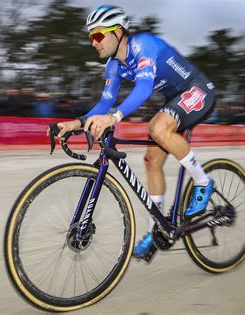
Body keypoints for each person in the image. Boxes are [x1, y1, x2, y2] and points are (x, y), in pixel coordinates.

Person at [51, 5, 217, 261]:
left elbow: (143, 89)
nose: (93, 43)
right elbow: (105, 103)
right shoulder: (114, 66)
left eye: (98, 35)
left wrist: (114, 117)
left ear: (118, 32)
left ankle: (203, 182)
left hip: (198, 90)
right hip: (175, 99)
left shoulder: (143, 46)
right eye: (90, 37)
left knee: (157, 127)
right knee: (151, 161)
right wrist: (75, 124)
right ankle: (158, 229)